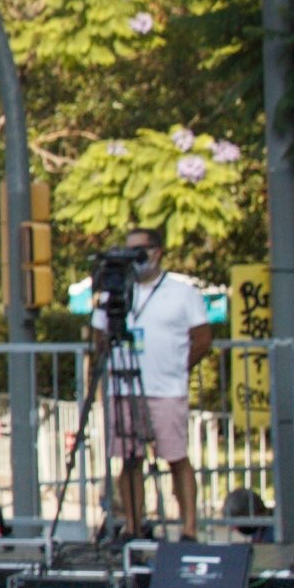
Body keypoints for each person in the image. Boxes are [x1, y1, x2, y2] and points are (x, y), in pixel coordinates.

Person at [102, 231, 213, 542]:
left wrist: (179, 366)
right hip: (124, 386)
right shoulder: (116, 292)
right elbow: (98, 336)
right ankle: (134, 525)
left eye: (142, 250)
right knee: (129, 458)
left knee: (175, 456)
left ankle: (189, 528)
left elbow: (203, 338)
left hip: (166, 388)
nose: (136, 257)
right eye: (130, 250)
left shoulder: (182, 292)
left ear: (158, 252)